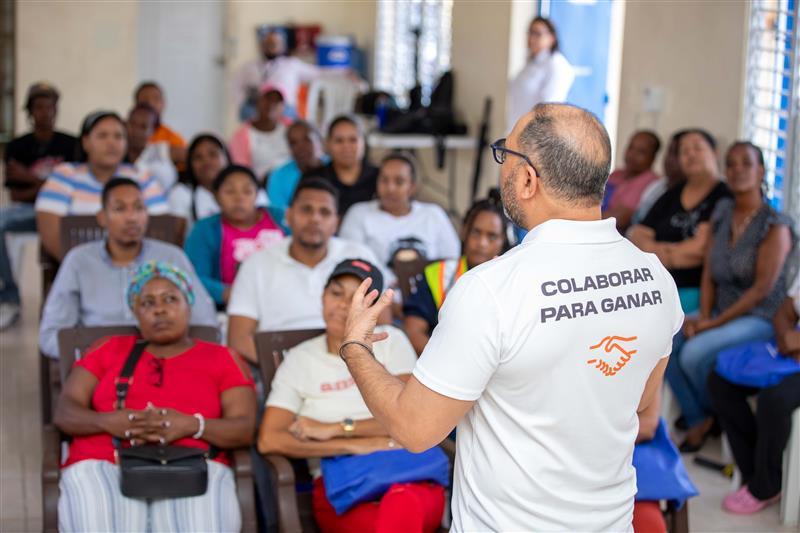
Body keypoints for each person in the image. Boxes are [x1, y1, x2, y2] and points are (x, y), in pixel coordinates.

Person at [335, 103, 684, 531]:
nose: (502, 170)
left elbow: (413, 428)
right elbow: (641, 398)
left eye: (505, 154)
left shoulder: (491, 289)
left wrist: (355, 348)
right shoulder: (654, 278)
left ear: (527, 179)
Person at [54, 261, 255, 532]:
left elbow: (244, 428)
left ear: (189, 305)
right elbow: (65, 411)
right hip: (103, 462)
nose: (159, 309)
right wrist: (108, 422)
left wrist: (192, 425)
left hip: (195, 465)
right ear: (135, 314)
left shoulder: (222, 358)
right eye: (147, 303)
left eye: (171, 299)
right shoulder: (109, 349)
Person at [258, 258, 444, 532]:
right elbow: (269, 438)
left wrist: (334, 429)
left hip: (410, 475)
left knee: (402, 504)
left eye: (358, 297)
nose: (344, 304)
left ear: (376, 309)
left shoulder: (391, 341)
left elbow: (411, 417)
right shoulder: (299, 359)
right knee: (397, 516)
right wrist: (354, 445)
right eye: (336, 293)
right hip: (342, 488)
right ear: (322, 296)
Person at [665, 142, 795, 451]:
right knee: (666, 342)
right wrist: (705, 315)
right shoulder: (724, 212)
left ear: (761, 171)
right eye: (731, 164)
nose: (737, 171)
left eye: (746, 164)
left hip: (759, 316)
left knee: (695, 353)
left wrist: (711, 325)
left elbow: (762, 289)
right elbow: (710, 270)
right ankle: (699, 418)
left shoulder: (775, 225)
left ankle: (717, 414)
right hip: (721, 311)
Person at [39, 178, 217, 359]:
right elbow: (51, 335)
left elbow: (206, 324)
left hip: (165, 363)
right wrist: (93, 361)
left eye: (139, 208)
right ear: (102, 217)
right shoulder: (78, 261)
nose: (132, 217)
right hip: (100, 368)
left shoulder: (172, 257)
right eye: (120, 208)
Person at [226, 178, 387, 364]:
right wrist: (292, 373)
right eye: (306, 209)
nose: (315, 219)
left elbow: (383, 323)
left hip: (351, 367)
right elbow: (239, 339)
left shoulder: (359, 255)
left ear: (336, 222)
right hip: (281, 370)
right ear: (288, 215)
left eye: (324, 212)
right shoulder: (256, 263)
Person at [708, 273, 800, 514]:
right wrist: (785, 338)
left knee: (775, 398)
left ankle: (765, 486)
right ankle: (754, 470)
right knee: (720, 380)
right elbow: (785, 310)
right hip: (790, 352)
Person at [35, 111, 169, 260]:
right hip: (80, 270)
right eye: (102, 136)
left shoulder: (141, 177)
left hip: (138, 272)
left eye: (118, 136)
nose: (111, 143)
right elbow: (51, 233)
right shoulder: (65, 175)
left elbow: (159, 229)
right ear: (85, 142)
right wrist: (88, 268)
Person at [1, 82, 77, 329]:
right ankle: (10, 296)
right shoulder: (17, 146)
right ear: (29, 111)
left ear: (56, 110)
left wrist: (31, 179)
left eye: (49, 107)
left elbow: (73, 190)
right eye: (38, 107)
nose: (44, 112)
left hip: (62, 213)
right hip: (29, 212)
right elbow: (16, 196)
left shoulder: (71, 144)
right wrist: (54, 183)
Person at [628, 129, 731, 313]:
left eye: (697, 148)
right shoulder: (672, 193)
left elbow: (699, 250)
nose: (690, 154)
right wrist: (672, 254)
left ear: (715, 153)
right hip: (653, 284)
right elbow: (638, 233)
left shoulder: (724, 196)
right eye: (684, 151)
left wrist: (656, 253)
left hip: (695, 289)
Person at [403, 192, 510, 355]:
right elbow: (413, 330)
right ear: (464, 232)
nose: (482, 243)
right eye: (476, 232)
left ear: (503, 242)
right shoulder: (438, 273)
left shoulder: (512, 280)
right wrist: (442, 364)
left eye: (492, 236)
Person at [184, 165, 285, 308]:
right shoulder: (204, 229)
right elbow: (193, 276)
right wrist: (227, 293)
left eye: (247, 191)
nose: (239, 198)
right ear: (216, 196)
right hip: (230, 309)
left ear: (257, 195)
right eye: (230, 191)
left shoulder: (280, 218)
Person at [339, 153, 461, 267]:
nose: (390, 188)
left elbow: (451, 263)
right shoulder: (358, 214)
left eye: (399, 181)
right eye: (384, 180)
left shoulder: (433, 215)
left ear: (412, 186)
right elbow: (351, 262)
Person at [233, 29, 323, 119]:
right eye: (267, 43)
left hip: (285, 109)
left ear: (282, 46)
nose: (271, 47)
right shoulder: (249, 66)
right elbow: (236, 84)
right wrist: (242, 102)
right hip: (255, 107)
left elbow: (319, 73)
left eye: (274, 43)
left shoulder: (292, 64)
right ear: (261, 45)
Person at [506, 17, 575, 130]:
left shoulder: (557, 65)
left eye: (537, 33)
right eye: (530, 32)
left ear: (551, 38)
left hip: (534, 138)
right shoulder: (530, 64)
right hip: (516, 133)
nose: (531, 38)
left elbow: (549, 108)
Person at [302, 115, 378, 216]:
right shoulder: (312, 179)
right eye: (339, 140)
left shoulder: (381, 178)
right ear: (328, 144)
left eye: (353, 140)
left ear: (363, 142)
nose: (346, 146)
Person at [229, 84, 292, 181]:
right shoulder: (241, 136)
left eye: (277, 101)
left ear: (283, 107)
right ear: (258, 102)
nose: (272, 104)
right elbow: (241, 172)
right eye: (267, 99)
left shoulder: (291, 128)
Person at [603, 130, 662, 232]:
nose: (632, 154)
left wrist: (583, 218)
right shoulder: (617, 174)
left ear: (653, 157)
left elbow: (619, 219)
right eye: (631, 147)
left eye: (641, 152)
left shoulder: (650, 182)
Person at [266, 120, 325, 213]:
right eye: (293, 143)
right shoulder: (278, 177)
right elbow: (279, 216)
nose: (301, 147)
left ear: (320, 140)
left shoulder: (335, 167)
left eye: (307, 140)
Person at [632, 130, 689, 225]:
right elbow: (636, 221)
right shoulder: (657, 186)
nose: (670, 159)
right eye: (669, 151)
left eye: (677, 153)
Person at [126, 103, 178, 191]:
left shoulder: (160, 150)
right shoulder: (115, 154)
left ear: (153, 131)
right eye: (132, 124)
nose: (136, 131)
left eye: (143, 127)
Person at [134, 81, 187, 167]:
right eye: (145, 99)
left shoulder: (174, 139)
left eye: (156, 99)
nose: (150, 103)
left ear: (163, 104)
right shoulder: (124, 133)